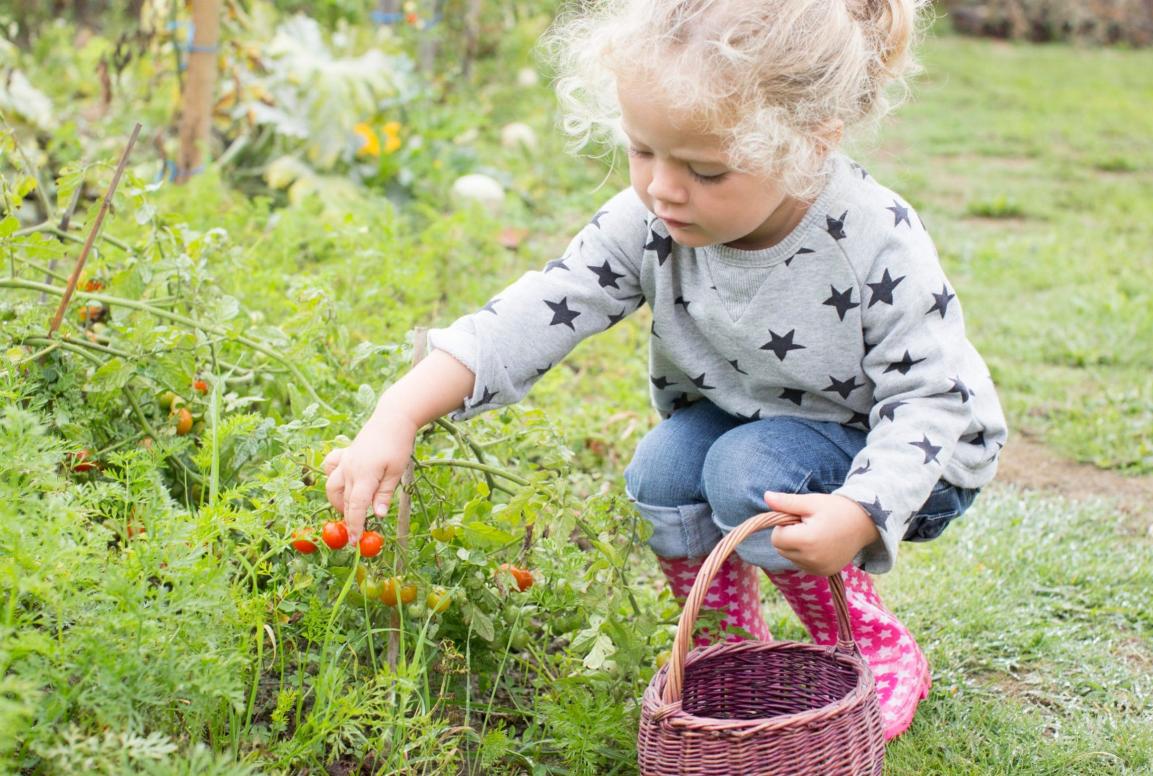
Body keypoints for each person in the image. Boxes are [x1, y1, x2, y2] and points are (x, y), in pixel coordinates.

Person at [323, 0, 1007, 741]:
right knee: (664, 469)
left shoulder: (875, 237)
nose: (663, 189)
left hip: (917, 462)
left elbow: (931, 395)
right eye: (642, 151)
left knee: (744, 467)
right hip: (765, 426)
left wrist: (865, 510)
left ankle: (866, 643)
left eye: (705, 169)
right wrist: (400, 410)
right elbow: (536, 310)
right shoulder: (650, 219)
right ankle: (725, 642)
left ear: (808, 147)